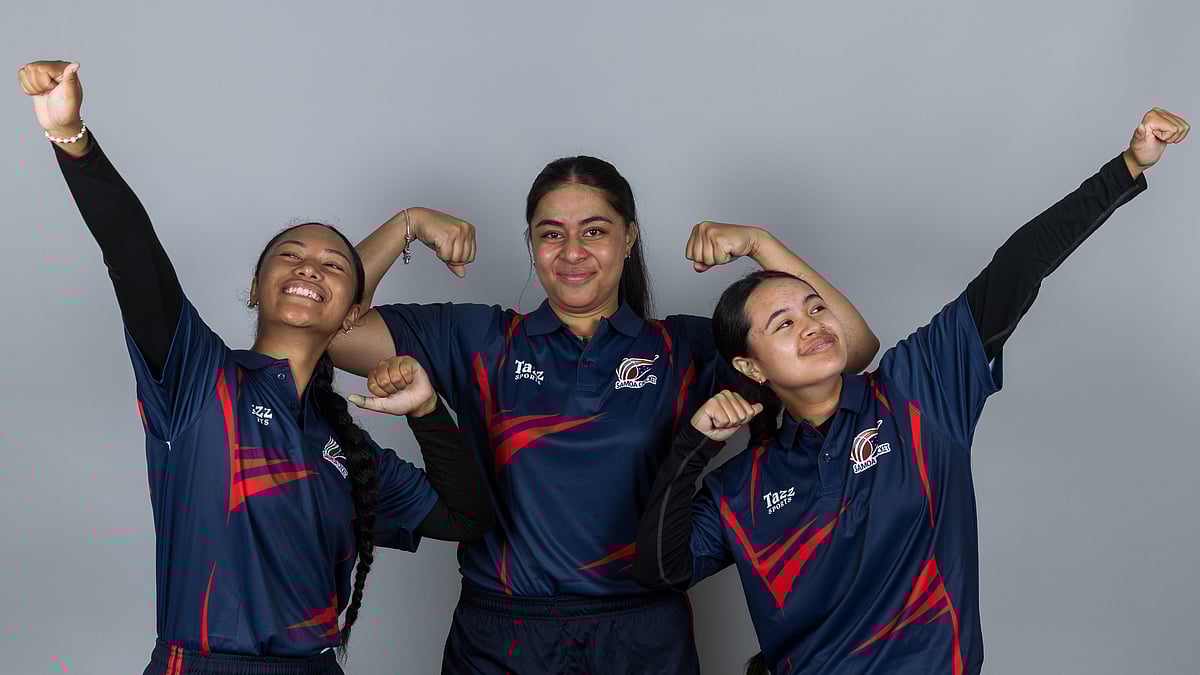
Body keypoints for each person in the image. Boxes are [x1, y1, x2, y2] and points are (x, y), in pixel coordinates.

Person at [633, 108, 1190, 674]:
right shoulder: (742, 486)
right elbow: (660, 568)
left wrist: (1125, 168)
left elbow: (1016, 269)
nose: (812, 325)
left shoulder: (916, 392)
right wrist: (692, 449)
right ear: (751, 368)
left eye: (816, 307)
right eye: (783, 324)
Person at [18, 60, 495, 675]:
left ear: (353, 312)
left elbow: (467, 519)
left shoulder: (349, 451)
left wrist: (430, 413)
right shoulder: (200, 379)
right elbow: (133, 256)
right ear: (256, 287)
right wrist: (73, 137)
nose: (307, 269)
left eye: (332, 266)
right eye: (290, 256)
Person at [329, 157, 880, 672]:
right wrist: (407, 224)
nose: (573, 251)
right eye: (551, 234)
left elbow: (852, 349)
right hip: (504, 632)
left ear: (629, 237)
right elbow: (330, 332)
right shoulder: (480, 338)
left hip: (642, 631)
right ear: (531, 245)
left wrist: (761, 245)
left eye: (594, 230)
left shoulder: (684, 347)